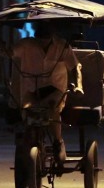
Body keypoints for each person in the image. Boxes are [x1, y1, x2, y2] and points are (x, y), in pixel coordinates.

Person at [8, 22, 81, 166]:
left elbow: (75, 67)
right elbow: (9, 52)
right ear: (36, 32)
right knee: (27, 111)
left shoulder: (62, 46)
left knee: (52, 110)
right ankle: (28, 143)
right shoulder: (25, 45)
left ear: (52, 32)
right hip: (31, 90)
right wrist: (2, 46)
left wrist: (79, 85)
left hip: (55, 90)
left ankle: (57, 142)